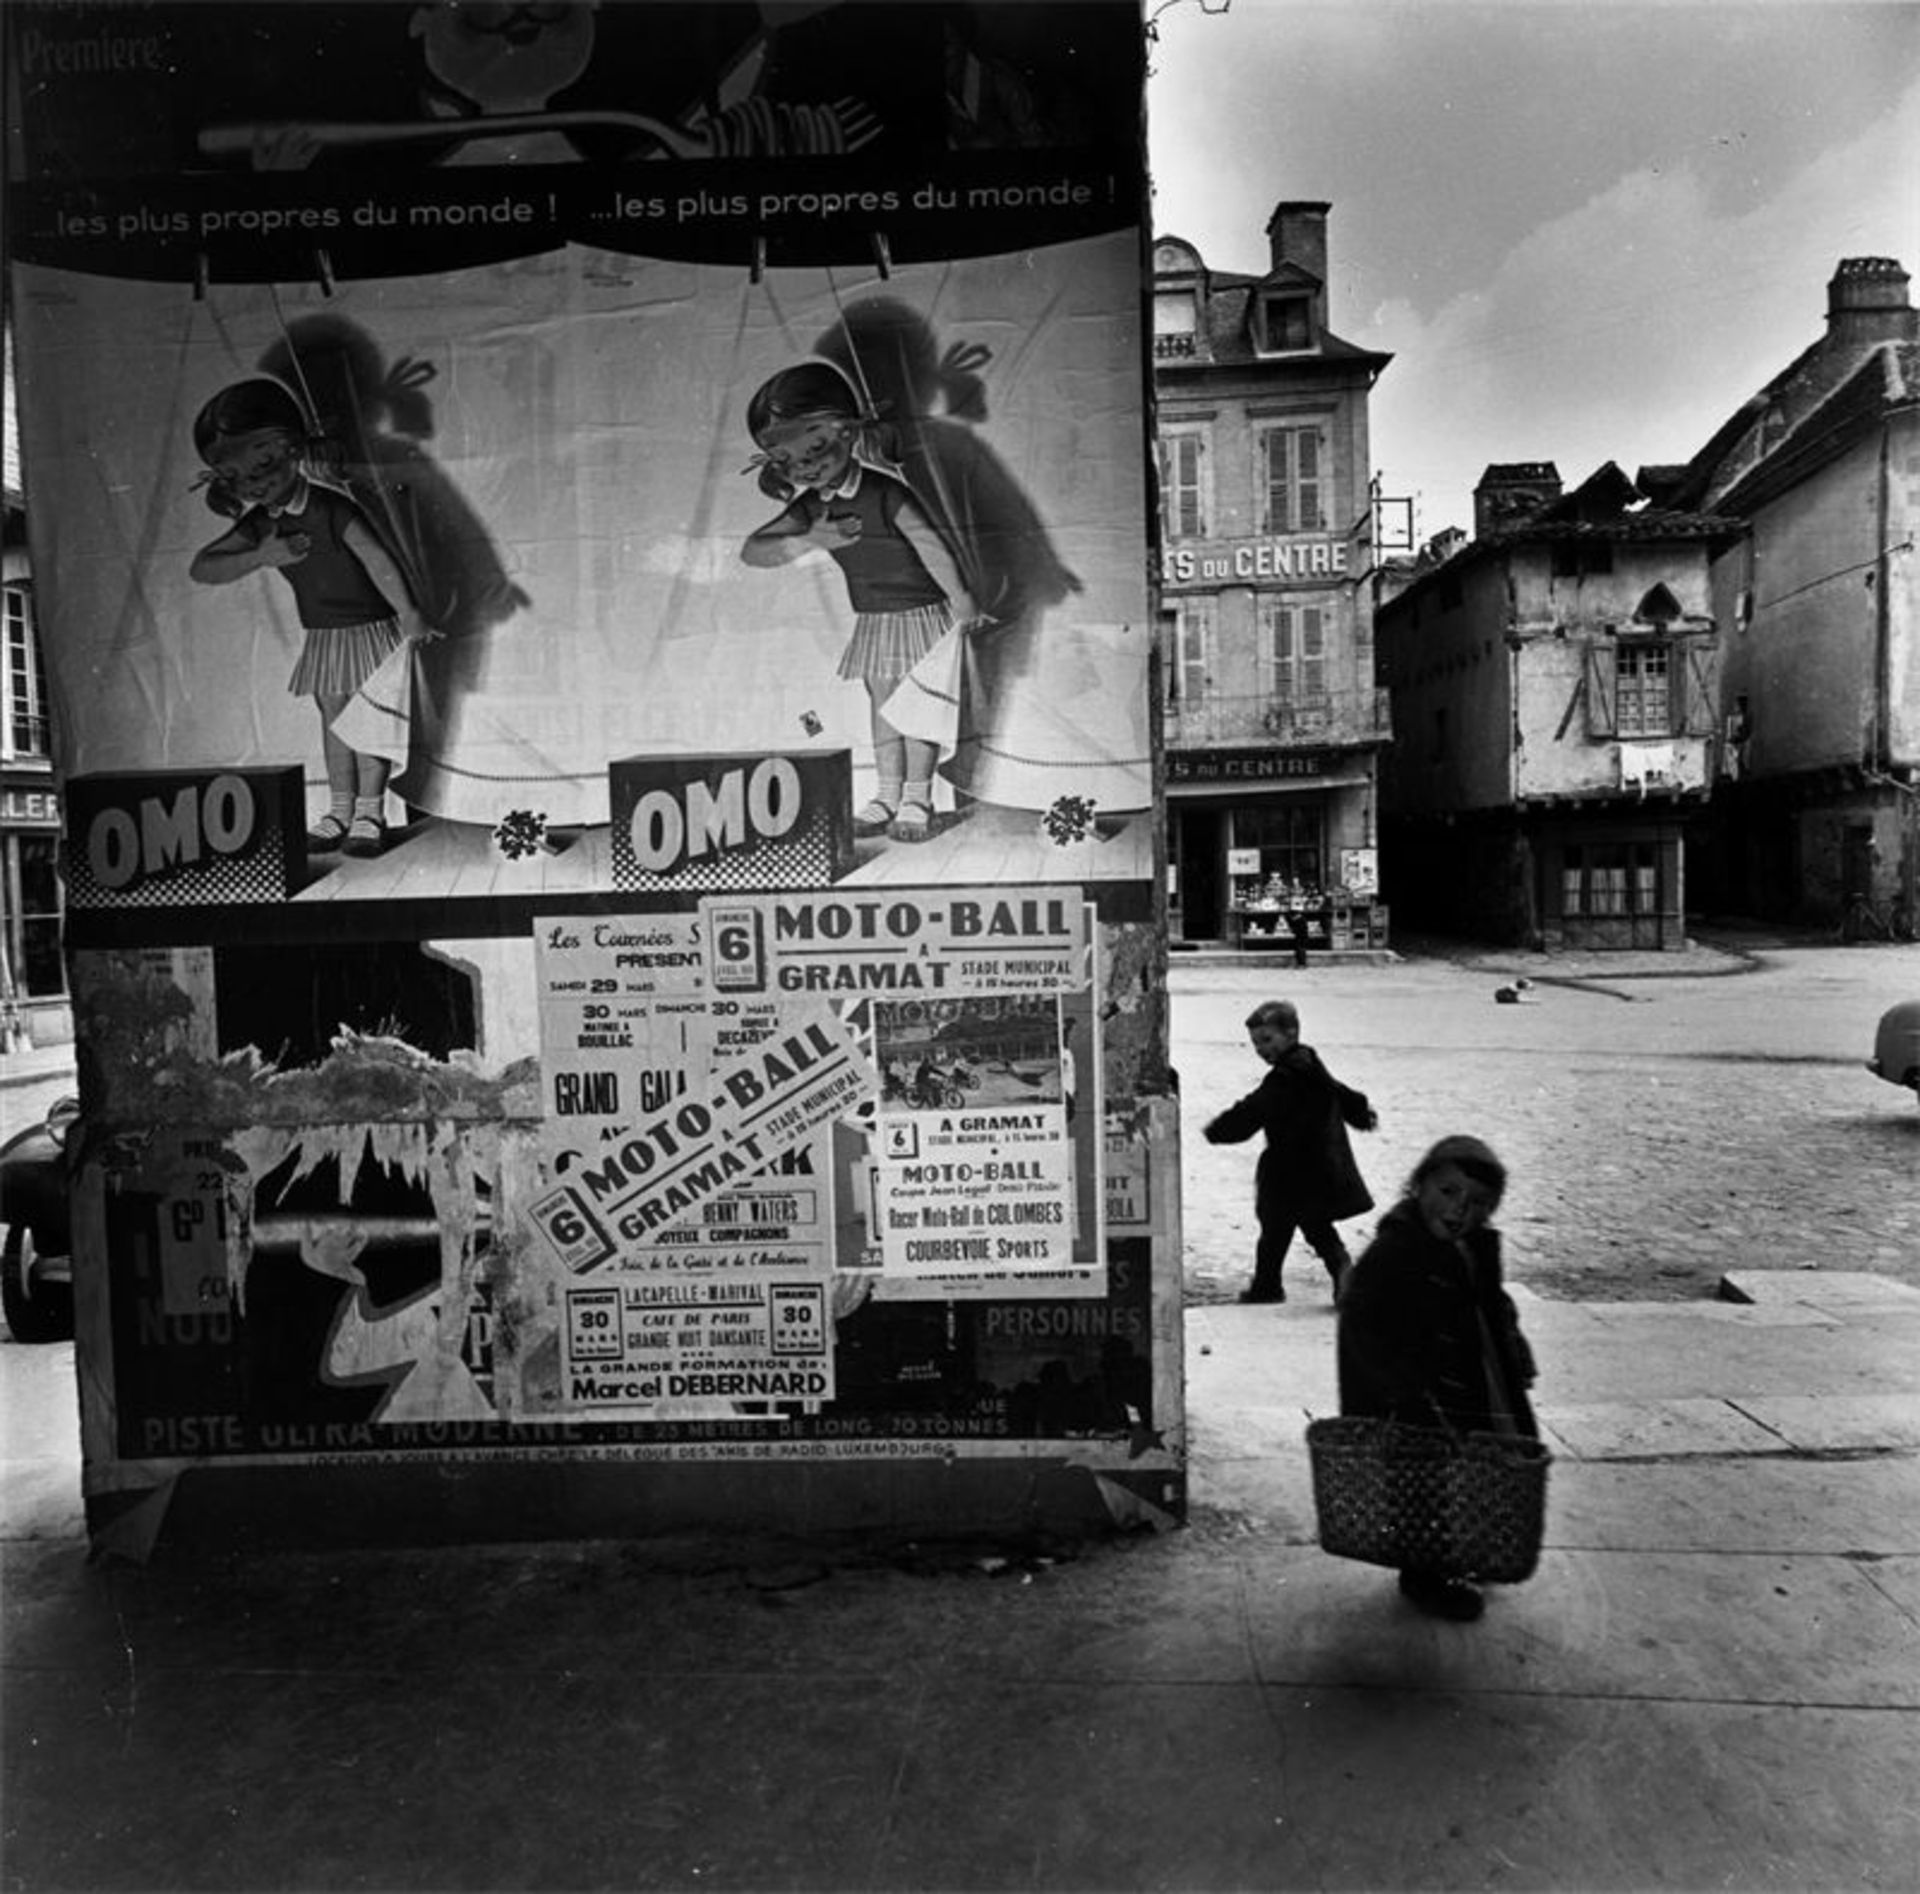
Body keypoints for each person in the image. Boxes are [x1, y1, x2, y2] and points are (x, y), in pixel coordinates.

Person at [189, 379, 434, 859]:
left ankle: (370, 811)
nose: (256, 483)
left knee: (371, 722)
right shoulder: (262, 524)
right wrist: (262, 555)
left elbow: (377, 559)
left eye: (264, 464)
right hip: (324, 636)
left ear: (293, 449)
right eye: (238, 476)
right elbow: (203, 566)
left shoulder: (329, 506)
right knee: (336, 722)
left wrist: (407, 612)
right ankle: (339, 811)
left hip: (370, 630)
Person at [740, 360, 982, 844]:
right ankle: (886, 795)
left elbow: (930, 543)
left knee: (922, 708)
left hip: (921, 616)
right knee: (885, 709)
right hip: (874, 619)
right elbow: (753, 550)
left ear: (848, 434)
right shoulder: (812, 506)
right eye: (787, 461)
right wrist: (811, 538)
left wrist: (960, 597)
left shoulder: (883, 489)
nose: (804, 467)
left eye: (814, 448)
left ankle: (918, 798)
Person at [1337, 1134, 1540, 1623]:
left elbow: (1492, 1302)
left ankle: (1461, 1552)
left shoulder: (1476, 1245)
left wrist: (1513, 1346)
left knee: (1467, 1474)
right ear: (1419, 1185)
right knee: (1422, 1486)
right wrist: (1394, 1391)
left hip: (1471, 1379)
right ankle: (1424, 1576)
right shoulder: (1396, 1250)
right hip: (1415, 1394)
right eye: (1448, 1192)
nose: (1459, 1210)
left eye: (1477, 1203)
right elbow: (1363, 1326)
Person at [1203, 999, 1376, 1305]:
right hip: (1316, 1162)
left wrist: (1220, 1129)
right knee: (1297, 1224)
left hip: (1292, 1166)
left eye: (1267, 1040)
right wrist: (1359, 1111)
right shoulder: (1308, 1062)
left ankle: (1288, 1281)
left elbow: (1255, 1108)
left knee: (1283, 1227)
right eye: (1256, 1043)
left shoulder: (1286, 1076)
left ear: (1291, 1033)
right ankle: (1291, 1279)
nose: (1261, 1049)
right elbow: (1338, 1090)